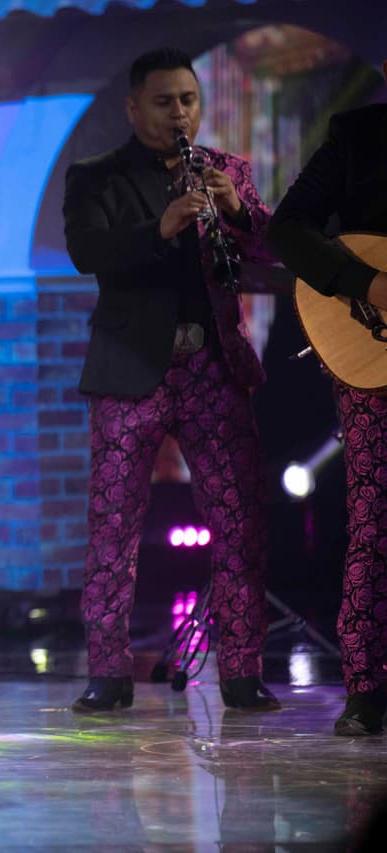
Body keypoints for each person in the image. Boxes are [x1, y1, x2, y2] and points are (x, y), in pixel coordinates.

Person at [62, 47, 280, 713]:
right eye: (164, 102)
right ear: (134, 108)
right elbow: (87, 252)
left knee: (238, 520)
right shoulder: (96, 176)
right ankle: (108, 671)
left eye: (188, 99)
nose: (179, 113)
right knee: (114, 526)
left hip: (212, 367)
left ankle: (242, 672)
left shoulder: (226, 171)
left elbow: (273, 262)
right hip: (130, 368)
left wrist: (237, 214)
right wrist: (161, 226)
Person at [267, 58, 387, 736]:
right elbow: (288, 228)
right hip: (373, 349)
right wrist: (365, 282)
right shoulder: (359, 136)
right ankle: (368, 684)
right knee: (375, 516)